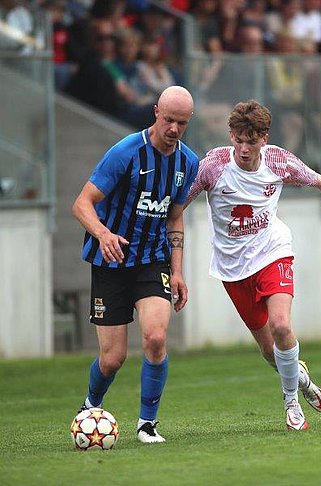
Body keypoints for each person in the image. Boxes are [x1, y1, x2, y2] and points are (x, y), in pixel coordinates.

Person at [185, 100, 321, 431]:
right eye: (238, 140)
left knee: (281, 325)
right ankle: (304, 383)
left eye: (250, 142)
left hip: (273, 251)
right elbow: (178, 203)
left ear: (263, 139)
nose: (242, 149)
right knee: (270, 351)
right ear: (231, 135)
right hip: (233, 267)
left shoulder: (279, 161)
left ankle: (291, 404)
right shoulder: (213, 165)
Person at [72, 85, 199, 444]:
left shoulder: (187, 163)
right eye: (170, 120)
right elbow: (82, 203)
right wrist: (103, 234)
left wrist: (177, 270)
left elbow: (175, 219)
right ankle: (90, 406)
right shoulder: (125, 153)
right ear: (156, 111)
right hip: (110, 261)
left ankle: (147, 424)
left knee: (156, 338)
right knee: (112, 358)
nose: (174, 129)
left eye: (182, 123)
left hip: (152, 259)